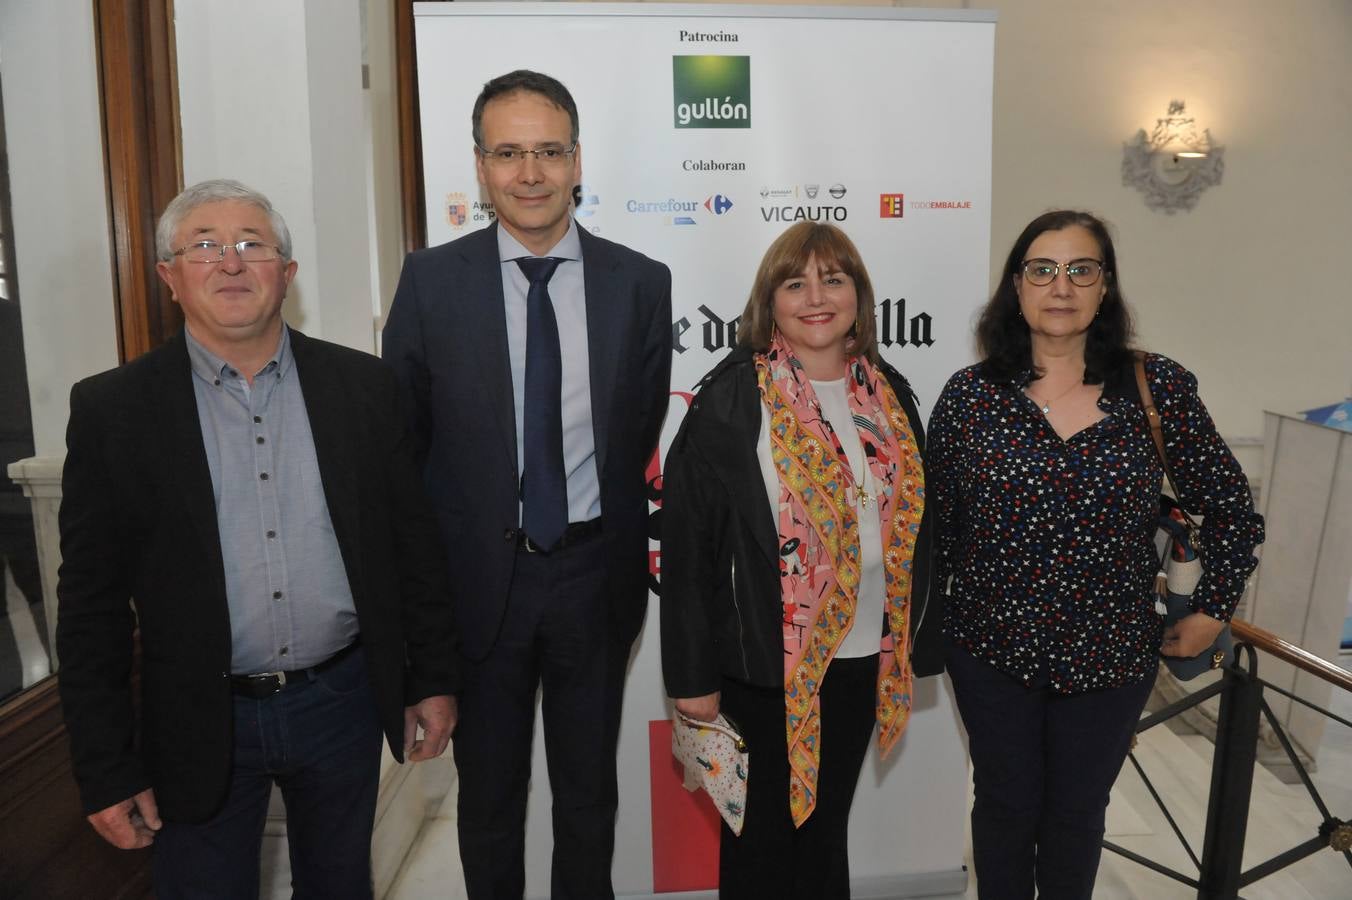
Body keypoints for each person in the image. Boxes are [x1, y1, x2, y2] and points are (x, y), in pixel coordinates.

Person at [56, 179, 459, 900]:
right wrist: (106, 766)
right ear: (168, 277)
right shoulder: (113, 411)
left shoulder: (363, 389)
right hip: (197, 714)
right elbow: (90, 609)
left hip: (340, 700)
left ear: (288, 274)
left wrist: (429, 677)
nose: (231, 263)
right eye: (204, 247)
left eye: (252, 246)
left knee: (340, 885)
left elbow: (413, 550)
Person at [382, 70, 673, 899]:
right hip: (478, 586)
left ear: (578, 160)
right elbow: (406, 448)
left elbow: (636, 432)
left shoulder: (640, 283)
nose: (531, 172)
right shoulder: (431, 283)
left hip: (593, 576)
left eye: (549, 150)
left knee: (589, 798)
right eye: (508, 153)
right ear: (479, 167)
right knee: (490, 802)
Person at [927, 210, 1264, 899]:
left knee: (1077, 818)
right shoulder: (970, 398)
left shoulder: (1155, 388)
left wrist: (1210, 609)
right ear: (1015, 287)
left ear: (1104, 287)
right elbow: (935, 533)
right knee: (1003, 810)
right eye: (1042, 270)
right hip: (991, 649)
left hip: (1110, 653)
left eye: (1081, 269)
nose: (1061, 286)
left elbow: (1231, 508)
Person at [661, 222, 940, 897]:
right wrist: (691, 677)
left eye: (834, 279)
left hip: (858, 659)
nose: (816, 296)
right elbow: (689, 549)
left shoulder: (889, 392)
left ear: (858, 296)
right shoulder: (731, 398)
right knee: (760, 847)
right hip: (761, 666)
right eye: (796, 282)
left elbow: (918, 525)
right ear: (771, 301)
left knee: (823, 832)